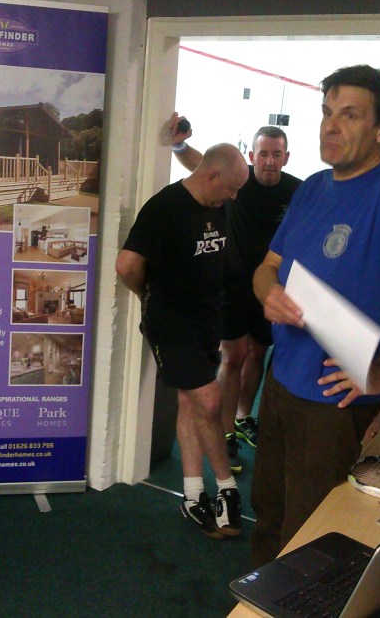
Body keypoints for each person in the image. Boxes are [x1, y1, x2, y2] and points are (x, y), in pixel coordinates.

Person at [251, 64, 380, 566]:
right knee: (268, 512)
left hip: (333, 403)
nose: (330, 126)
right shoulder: (311, 187)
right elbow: (267, 268)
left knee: (308, 538)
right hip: (281, 381)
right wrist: (269, 293)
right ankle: (258, 596)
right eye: (327, 113)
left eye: (349, 115)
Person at [116, 143, 249, 539]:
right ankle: (227, 488)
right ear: (212, 176)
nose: (233, 197)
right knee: (209, 400)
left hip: (206, 321)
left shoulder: (216, 203)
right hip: (172, 325)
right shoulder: (164, 208)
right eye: (230, 188)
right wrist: (148, 295)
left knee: (191, 401)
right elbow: (127, 265)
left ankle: (192, 497)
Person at [170, 116, 301, 472]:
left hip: (270, 287)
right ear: (252, 156)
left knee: (257, 352)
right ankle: (226, 431)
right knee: (234, 356)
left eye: (276, 154)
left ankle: (244, 418)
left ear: (286, 157)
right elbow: (201, 165)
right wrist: (179, 144)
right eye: (263, 154)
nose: (270, 161)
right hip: (230, 285)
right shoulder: (238, 181)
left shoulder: (298, 191)